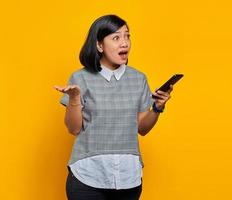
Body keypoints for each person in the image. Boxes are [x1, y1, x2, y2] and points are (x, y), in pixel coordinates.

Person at [54, 14, 173, 200]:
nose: (124, 43)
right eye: (116, 38)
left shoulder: (138, 78)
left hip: (128, 177)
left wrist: (157, 108)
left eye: (127, 36)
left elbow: (142, 127)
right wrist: (75, 98)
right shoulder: (80, 78)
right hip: (88, 175)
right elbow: (73, 128)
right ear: (99, 45)